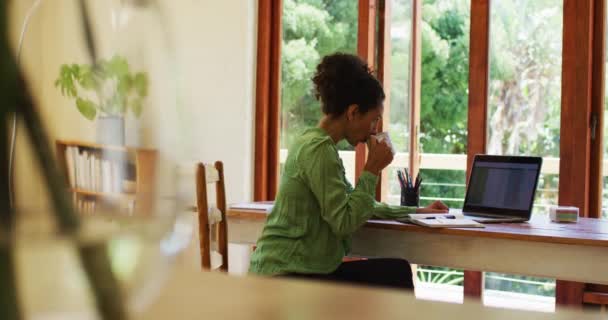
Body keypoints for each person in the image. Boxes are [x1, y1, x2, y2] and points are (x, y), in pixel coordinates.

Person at [248, 53, 448, 290]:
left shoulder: (317, 144)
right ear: (353, 113)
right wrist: (371, 169)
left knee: (394, 271)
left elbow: (357, 204)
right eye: (374, 120)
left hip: (300, 272)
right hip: (285, 277)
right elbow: (344, 222)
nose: (374, 130)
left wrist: (416, 211)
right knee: (395, 274)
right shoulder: (318, 150)